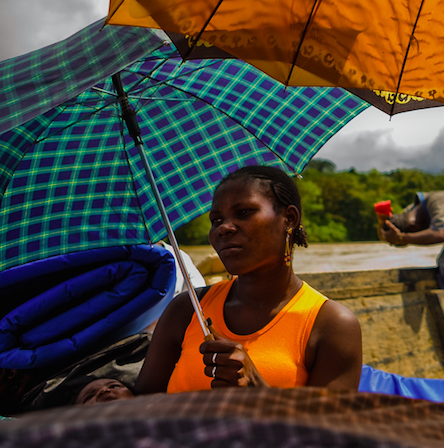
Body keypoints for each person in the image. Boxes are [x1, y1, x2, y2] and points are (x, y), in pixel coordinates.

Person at [136, 165, 362, 393]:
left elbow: (329, 426)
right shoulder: (186, 310)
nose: (223, 228)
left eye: (243, 212)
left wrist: (258, 389)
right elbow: (141, 406)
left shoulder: (331, 325)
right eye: (216, 220)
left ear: (289, 218)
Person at [379, 191, 444, 319]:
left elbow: (441, 234)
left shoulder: (436, 200)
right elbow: (393, 237)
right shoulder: (410, 211)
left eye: (415, 230)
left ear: (413, 225)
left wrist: (403, 238)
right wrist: (382, 222)